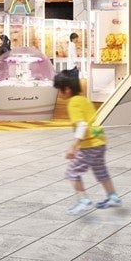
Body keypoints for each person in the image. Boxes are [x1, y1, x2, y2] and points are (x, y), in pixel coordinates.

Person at [55, 69, 119, 214]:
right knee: (101, 170)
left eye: (59, 89)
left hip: (89, 145)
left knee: (72, 172)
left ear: (67, 89)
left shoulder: (73, 103)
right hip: (99, 141)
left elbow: (82, 125)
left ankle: (83, 200)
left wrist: (73, 146)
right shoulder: (84, 100)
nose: (59, 93)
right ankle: (113, 197)